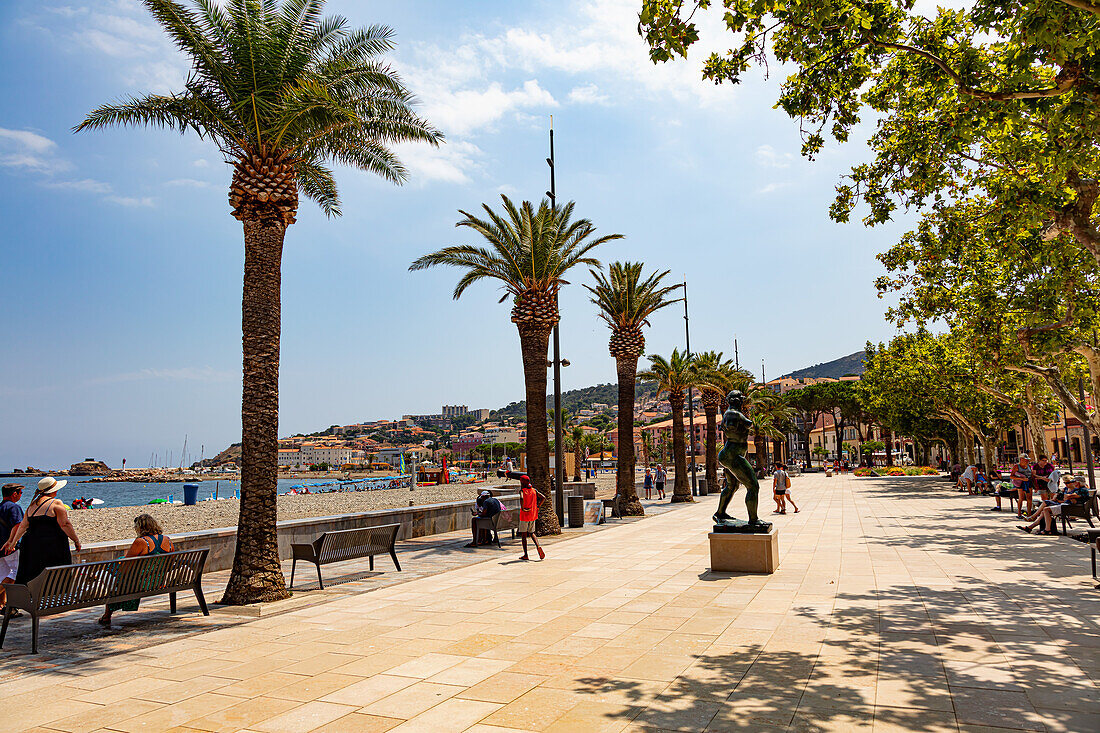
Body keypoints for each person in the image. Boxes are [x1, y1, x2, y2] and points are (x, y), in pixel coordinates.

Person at [2, 477, 81, 586]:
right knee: (56, 577)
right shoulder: (56, 503)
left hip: (30, 546)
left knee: (34, 575)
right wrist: (76, 540)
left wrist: (13, 542)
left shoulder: (32, 505)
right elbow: (65, 524)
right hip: (53, 546)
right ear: (52, 490)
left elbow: (23, 527)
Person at [98, 514, 174, 626]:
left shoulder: (141, 542)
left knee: (112, 580)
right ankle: (107, 615)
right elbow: (170, 562)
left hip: (139, 584)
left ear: (140, 527)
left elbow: (126, 567)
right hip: (157, 581)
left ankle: (107, 615)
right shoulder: (167, 540)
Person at [1018, 475, 1091, 535]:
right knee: (1044, 511)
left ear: (1078, 483)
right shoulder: (1078, 489)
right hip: (1069, 506)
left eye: (1074, 482)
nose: (1073, 484)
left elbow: (1071, 497)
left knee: (1046, 509)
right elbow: (1068, 497)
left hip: (1070, 508)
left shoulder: (1082, 490)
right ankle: (1030, 527)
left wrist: (1068, 496)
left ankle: (1047, 530)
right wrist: (1067, 496)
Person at [498, 470, 545, 560]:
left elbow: (522, 498)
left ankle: (526, 554)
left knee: (524, 535)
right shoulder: (534, 490)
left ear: (522, 482)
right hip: (533, 514)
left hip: (525, 515)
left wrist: (523, 507)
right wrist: (538, 506)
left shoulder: (522, 491)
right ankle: (538, 546)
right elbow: (543, 497)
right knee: (532, 533)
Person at [0, 484, 25, 613]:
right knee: (13, 575)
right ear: (14, 494)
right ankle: (10, 607)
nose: (21, 495)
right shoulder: (14, 507)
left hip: (0, 546)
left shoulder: (1, 507)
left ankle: (3, 605)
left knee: (2, 574)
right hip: (10, 547)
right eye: (20, 492)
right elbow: (18, 525)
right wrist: (11, 542)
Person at [1010, 454, 1034, 519]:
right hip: (1021, 483)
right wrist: (1022, 479)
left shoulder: (1029, 466)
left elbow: (1031, 475)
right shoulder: (1016, 466)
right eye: (1025, 460)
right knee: (1021, 498)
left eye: (1027, 460)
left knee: (1029, 498)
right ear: (1021, 459)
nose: (1027, 461)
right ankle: (1019, 513)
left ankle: (1029, 514)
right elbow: (1011, 476)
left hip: (1028, 482)